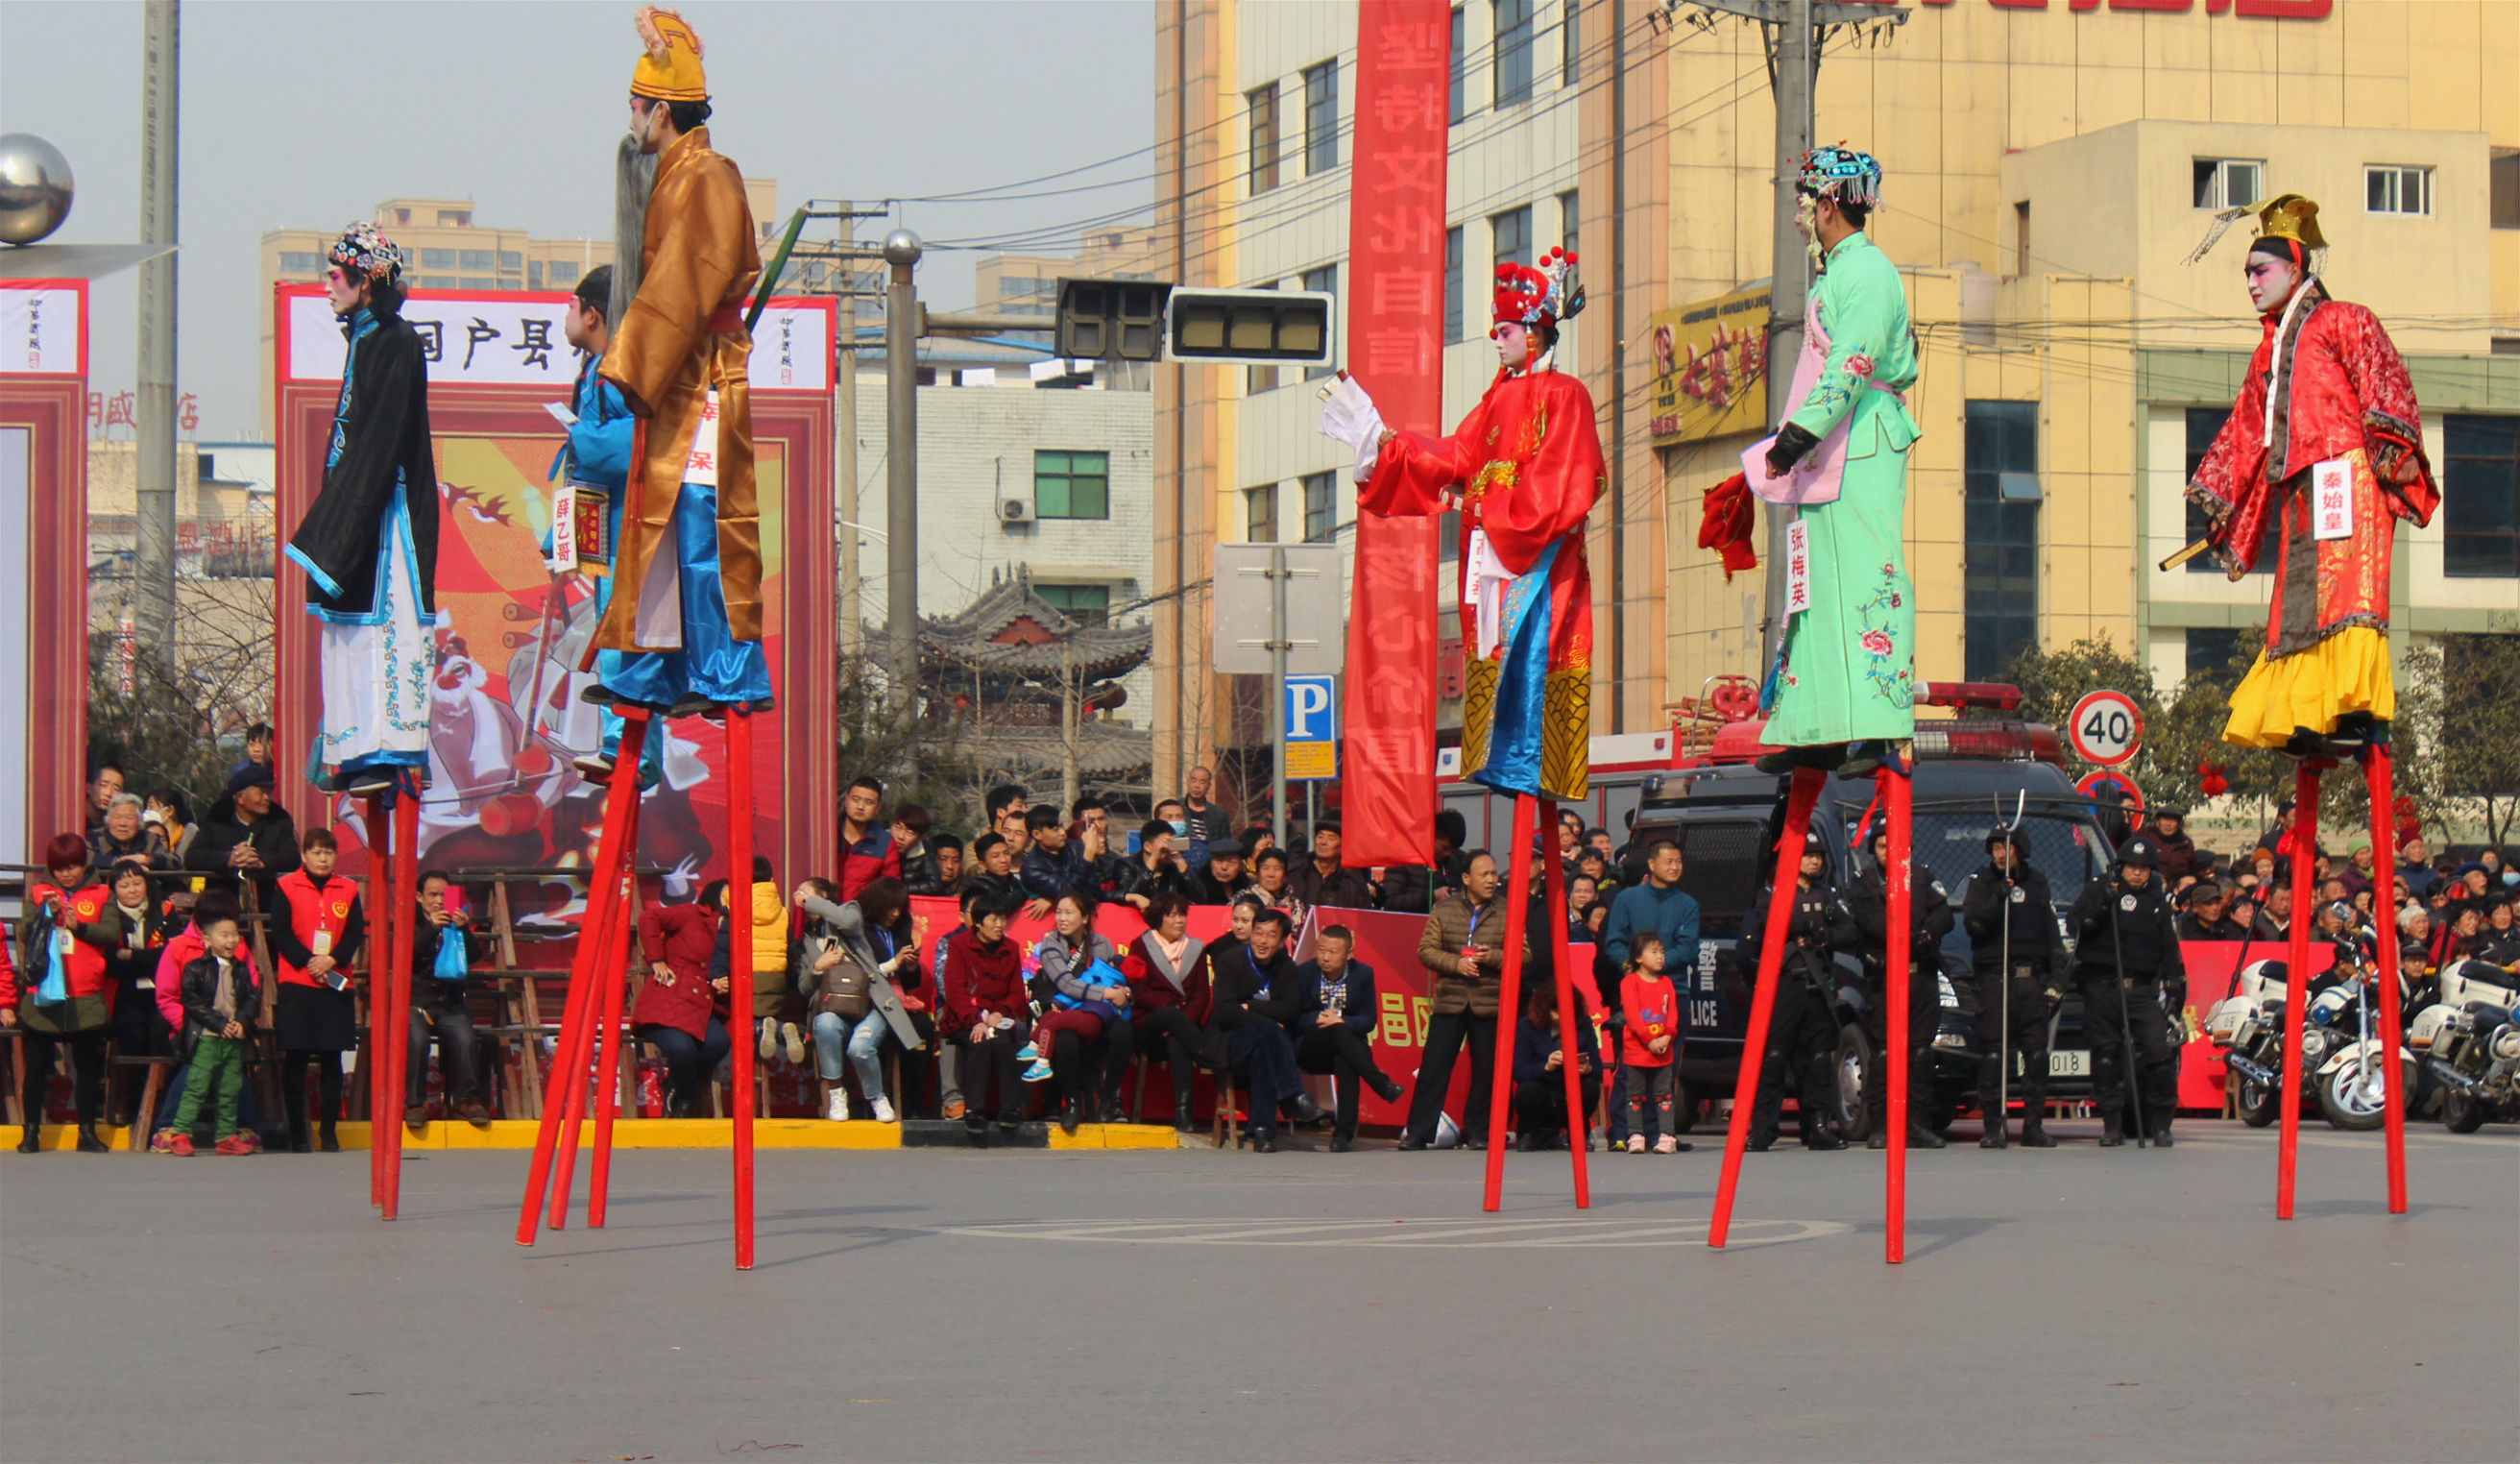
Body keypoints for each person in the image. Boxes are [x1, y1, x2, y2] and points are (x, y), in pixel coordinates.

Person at [1336, 243, 1602, 808]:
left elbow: (1571, 481)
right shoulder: (1493, 402)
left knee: (1535, 652)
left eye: (1504, 329)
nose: (1496, 339)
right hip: (1492, 554)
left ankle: (1528, 761)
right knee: (1493, 647)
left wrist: (1499, 510)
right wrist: (1394, 445)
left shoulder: (1566, 394)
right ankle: (1495, 758)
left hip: (1537, 557)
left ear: (1533, 331)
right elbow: (1454, 457)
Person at [2187, 195, 2438, 759]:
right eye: (2247, 273)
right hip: (2300, 485)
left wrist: (2388, 456)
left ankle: (2349, 703)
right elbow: (2248, 429)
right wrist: (2223, 499)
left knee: (2349, 589)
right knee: (2297, 603)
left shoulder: (2344, 318)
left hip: (2347, 473)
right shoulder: (2266, 353)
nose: (2251, 282)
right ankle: (2306, 712)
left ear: (2295, 268)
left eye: (2261, 270)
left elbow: (2384, 379)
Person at [590, 8, 772, 721]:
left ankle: (722, 670)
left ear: (660, 109)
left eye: (636, 105)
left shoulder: (706, 177)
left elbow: (682, 289)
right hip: (678, 375)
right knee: (655, 523)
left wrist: (629, 365)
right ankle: (649, 672)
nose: (631, 117)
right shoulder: (674, 173)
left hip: (701, 377)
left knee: (700, 521)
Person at [1748, 146, 1921, 780]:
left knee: (1868, 578)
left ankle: (1879, 726)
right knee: (1814, 587)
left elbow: (1855, 358)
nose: (1798, 214)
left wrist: (1798, 432)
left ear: (1826, 205)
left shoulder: (1868, 272)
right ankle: (1813, 729)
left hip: (1862, 436)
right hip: (1834, 442)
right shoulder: (1839, 273)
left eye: (1803, 201)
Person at [284, 219, 442, 794]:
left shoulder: (395, 341)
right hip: (360, 506)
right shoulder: (367, 338)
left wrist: (345, 519)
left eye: (337, 274)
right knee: (346, 629)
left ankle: (387, 751)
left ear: (365, 280)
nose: (328, 283)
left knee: (387, 628)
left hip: (386, 511)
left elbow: (379, 441)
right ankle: (349, 750)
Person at [548, 264, 654, 787]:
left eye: (571, 305)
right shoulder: (595, 367)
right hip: (604, 514)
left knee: (624, 625)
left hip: (629, 517)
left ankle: (630, 749)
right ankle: (623, 746)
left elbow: (636, 441)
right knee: (613, 622)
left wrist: (581, 440)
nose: (566, 315)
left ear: (593, 313)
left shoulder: (618, 368)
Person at [2070, 836, 2186, 1147]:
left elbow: (2168, 949)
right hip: (2102, 987)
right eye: (2132, 867)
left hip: (2139, 990)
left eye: (2144, 868)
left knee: (2159, 1054)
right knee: (2106, 1059)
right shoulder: (2099, 888)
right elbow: (2076, 926)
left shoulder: (2156, 900)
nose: (2137, 873)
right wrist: (2103, 901)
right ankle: (2112, 1125)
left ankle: (2161, 1125)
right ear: (2121, 866)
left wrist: (2176, 990)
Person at [7, 835, 120, 1153]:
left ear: (84, 864)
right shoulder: (39, 891)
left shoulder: (101, 893)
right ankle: (31, 1133)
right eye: (59, 868)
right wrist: (46, 912)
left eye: (72, 866)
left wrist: (80, 926)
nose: (66, 874)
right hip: (43, 995)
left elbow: (112, 933)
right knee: (36, 1067)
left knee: (87, 1068)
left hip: (85, 994)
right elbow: (25, 931)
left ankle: (87, 1132)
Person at [1400, 850, 1518, 1151]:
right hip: (1451, 1000)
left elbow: (1523, 955)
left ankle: (1481, 1132)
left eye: (1494, 873)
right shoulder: (1445, 910)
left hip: (1489, 1000)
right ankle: (1418, 1132)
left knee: (1487, 1070)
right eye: (1485, 874)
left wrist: (1492, 957)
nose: (1493, 880)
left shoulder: (1508, 910)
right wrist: (1456, 964)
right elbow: (1425, 950)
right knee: (1434, 1068)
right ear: (1466, 879)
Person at [1959, 825, 2069, 1149]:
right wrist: (1998, 899)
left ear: (2020, 850)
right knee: (1993, 1054)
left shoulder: (2037, 883)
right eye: (1995, 848)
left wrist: (2055, 982)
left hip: (2031, 983)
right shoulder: (1981, 883)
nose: (2001, 854)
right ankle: (1994, 1125)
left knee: (2036, 1055)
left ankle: (2033, 1126)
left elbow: (2051, 936)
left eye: (2007, 848)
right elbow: (1974, 925)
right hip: (1997, 979)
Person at [1738, 846, 1850, 1152]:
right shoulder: (1771, 894)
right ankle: (1763, 1127)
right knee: (1774, 1058)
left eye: (1818, 855)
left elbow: (1849, 930)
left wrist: (1821, 934)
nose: (1815, 861)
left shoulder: (1827, 895)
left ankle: (1816, 1127)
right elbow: (1772, 923)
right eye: (1807, 855)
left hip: (1816, 986)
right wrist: (1811, 925)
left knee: (1818, 1059)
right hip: (1783, 986)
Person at [268, 829, 367, 1152]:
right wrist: (309, 961)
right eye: (316, 852)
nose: (323, 858)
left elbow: (354, 933)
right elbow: (280, 932)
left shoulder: (349, 888)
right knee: (295, 1057)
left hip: (335, 981)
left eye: (328, 852)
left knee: (331, 1057)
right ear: (304, 854)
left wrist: (332, 960)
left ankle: (328, 1132)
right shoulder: (285, 886)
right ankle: (299, 1132)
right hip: (298, 980)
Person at [1198, 908, 1321, 1153]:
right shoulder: (1230, 961)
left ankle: (1263, 1131)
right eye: (1259, 933)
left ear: (1282, 940)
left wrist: (1251, 1006)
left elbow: (1290, 1009)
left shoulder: (1285, 966)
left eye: (1271, 935)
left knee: (1264, 1049)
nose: (1263, 941)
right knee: (1268, 1031)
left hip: (1265, 1043)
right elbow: (1224, 1011)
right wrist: (1265, 1017)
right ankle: (1293, 1095)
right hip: (1228, 1040)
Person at [797, 876, 916, 1123]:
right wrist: (817, 968)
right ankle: (836, 1093)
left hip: (871, 1003)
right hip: (833, 1006)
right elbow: (804, 988)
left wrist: (812, 902)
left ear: (823, 898)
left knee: (860, 1047)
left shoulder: (848, 912)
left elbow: (849, 921)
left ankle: (876, 1097)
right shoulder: (807, 941)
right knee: (825, 1024)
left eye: (804, 892)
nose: (798, 898)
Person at [1282, 924, 1404, 1152]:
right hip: (1310, 1046)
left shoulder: (1363, 974)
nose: (1325, 957)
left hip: (1346, 1048)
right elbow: (1292, 1018)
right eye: (1322, 950)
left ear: (1349, 954)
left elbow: (1368, 1019)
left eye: (1333, 952)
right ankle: (1380, 1083)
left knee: (1345, 1055)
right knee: (1340, 1035)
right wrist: (1319, 1018)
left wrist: (1342, 1021)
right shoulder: (1303, 973)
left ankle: (1343, 1134)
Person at [1027, 892, 1131, 1131]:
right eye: (1059, 912)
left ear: (1084, 918)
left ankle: (1109, 1098)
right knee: (1065, 1038)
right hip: (1064, 1012)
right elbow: (1066, 985)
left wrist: (1124, 992)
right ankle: (1072, 1102)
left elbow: (1111, 977)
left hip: (1097, 1013)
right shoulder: (1050, 944)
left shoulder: (1102, 944)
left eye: (1069, 912)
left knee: (1122, 1032)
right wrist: (1106, 994)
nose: (1062, 918)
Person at [164, 912, 262, 1156]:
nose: (231, 941)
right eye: (224, 935)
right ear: (207, 940)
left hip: (234, 1037)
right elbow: (192, 1002)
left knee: (231, 1087)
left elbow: (252, 997)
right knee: (197, 1085)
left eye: (234, 935)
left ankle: (226, 1136)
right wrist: (219, 1024)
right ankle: (181, 1133)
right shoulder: (196, 968)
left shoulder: (240, 969)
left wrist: (242, 1021)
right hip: (207, 1036)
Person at [939, 893, 1030, 1145]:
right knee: (979, 1040)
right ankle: (974, 1110)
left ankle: (1010, 1107)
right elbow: (955, 990)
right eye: (994, 919)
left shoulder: (1010, 948)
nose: (1000, 924)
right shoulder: (958, 945)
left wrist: (1001, 1012)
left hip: (998, 1016)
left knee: (1004, 1040)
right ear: (978, 922)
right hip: (964, 1016)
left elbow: (1016, 993)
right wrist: (974, 1020)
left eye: (1002, 919)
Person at [634, 881, 728, 1117]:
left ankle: (676, 1084)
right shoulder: (691, 913)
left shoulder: (736, 928)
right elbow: (649, 918)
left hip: (704, 1002)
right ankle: (685, 1100)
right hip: (670, 994)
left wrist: (722, 981)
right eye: (730, 893)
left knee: (719, 1042)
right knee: (681, 1048)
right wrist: (656, 959)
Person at [406, 870, 490, 1126]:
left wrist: (463, 930)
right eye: (433, 895)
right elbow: (407, 955)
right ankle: (415, 1103)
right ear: (420, 897)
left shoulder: (457, 923)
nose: (439, 900)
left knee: (464, 1036)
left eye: (444, 894)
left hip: (450, 1001)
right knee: (417, 1039)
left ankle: (465, 1100)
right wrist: (432, 928)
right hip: (417, 1002)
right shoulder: (410, 922)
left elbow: (475, 956)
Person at [1123, 891, 1211, 1132]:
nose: (1179, 921)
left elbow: (1202, 993)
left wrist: (1184, 1021)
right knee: (1170, 1016)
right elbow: (1137, 990)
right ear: (1159, 918)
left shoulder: (1196, 948)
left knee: (1178, 1041)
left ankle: (1184, 1113)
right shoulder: (1141, 945)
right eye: (1172, 915)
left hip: (1183, 1029)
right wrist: (1168, 1007)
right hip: (1150, 1024)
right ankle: (1207, 1054)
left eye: (1182, 915)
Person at [100, 860, 176, 1129]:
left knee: (161, 1029)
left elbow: (171, 957)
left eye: (137, 883)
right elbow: (111, 962)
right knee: (132, 1031)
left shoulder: (166, 911)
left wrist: (134, 955)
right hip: (123, 990)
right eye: (124, 885)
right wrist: (145, 959)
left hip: (162, 988)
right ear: (114, 889)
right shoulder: (108, 916)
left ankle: (155, 1102)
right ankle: (126, 1102)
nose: (132, 890)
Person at [710, 855, 800, 1065]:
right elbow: (790, 949)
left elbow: (724, 946)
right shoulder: (783, 911)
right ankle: (779, 1028)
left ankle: (770, 1028)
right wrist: (788, 978)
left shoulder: (735, 907)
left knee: (746, 1020)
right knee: (765, 1014)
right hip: (775, 976)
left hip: (746, 975)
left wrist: (717, 975)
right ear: (770, 880)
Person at [185, 763, 301, 908]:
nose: (267, 798)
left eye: (269, 792)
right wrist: (229, 859)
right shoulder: (217, 819)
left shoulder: (279, 819)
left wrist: (259, 860)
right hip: (221, 903)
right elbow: (192, 857)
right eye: (261, 792)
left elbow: (292, 857)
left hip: (267, 902)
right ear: (240, 797)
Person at [1603, 838, 1704, 998]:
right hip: (1635, 988)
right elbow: (1614, 941)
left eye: (1678, 862)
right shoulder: (1626, 899)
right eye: (1669, 862)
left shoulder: (1688, 904)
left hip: (1675, 990)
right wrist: (1631, 965)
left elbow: (1688, 947)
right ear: (1651, 864)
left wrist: (1653, 964)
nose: (1675, 867)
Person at [1508, 981, 1600, 1153]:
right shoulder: (1527, 1027)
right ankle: (1531, 1132)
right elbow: (1519, 1071)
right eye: (1557, 1011)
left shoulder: (1584, 1024)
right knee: (1528, 1089)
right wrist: (1546, 1066)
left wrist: (1587, 1069)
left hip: (1571, 1087)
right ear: (1545, 1010)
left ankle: (1578, 1132)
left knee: (1591, 1086)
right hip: (1542, 1088)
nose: (1563, 1016)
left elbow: (1598, 1069)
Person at [1616, 934, 1687, 1155]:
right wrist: (1649, 1040)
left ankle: (1666, 1136)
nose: (1660, 957)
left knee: (1664, 1095)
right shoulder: (1630, 982)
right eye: (1654, 952)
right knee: (1635, 1095)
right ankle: (1636, 1135)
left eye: (1662, 952)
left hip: (1663, 1050)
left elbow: (1673, 1013)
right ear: (1638, 957)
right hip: (1638, 1050)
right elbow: (1633, 1015)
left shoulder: (1667, 983)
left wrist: (1667, 1036)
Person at [836, 776, 901, 901]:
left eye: (869, 802)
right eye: (856, 800)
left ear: (878, 808)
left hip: (860, 915)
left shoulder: (884, 843)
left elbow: (891, 889)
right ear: (846, 801)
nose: (860, 807)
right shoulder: (827, 833)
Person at [1287, 821, 1376, 911]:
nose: (1323, 842)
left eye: (1331, 838)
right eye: (1320, 836)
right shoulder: (1297, 874)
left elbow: (1363, 917)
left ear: (1343, 845)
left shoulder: (1352, 882)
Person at [1019, 805, 1092, 909]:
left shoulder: (1076, 848)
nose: (1063, 833)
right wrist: (1087, 859)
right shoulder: (1032, 868)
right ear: (1037, 834)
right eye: (1056, 829)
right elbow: (1067, 891)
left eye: (1062, 826)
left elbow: (1094, 887)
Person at [1117, 819, 1196, 911]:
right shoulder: (1125, 865)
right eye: (1166, 842)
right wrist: (1153, 860)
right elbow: (1130, 894)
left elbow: (1198, 898)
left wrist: (1183, 867)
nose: (1169, 848)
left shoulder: (1174, 867)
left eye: (1172, 843)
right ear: (1148, 847)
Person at [89, 793, 170, 871]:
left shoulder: (150, 838)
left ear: (139, 821)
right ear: (108, 820)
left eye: (129, 818)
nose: (122, 823)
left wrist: (147, 859)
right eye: (117, 817)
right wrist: (126, 864)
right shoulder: (95, 837)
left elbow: (174, 860)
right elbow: (86, 858)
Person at [891, 804, 944, 896]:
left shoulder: (925, 851)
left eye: (910, 833)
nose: (901, 836)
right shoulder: (878, 843)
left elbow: (933, 884)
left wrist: (899, 888)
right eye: (898, 828)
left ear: (921, 837)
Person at [1251, 848, 1309, 930]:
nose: (1271, 874)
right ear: (1257, 873)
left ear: (1285, 874)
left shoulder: (1296, 905)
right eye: (1265, 868)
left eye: (1277, 869)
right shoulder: (1244, 900)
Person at [2137, 809, 2199, 885]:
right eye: (2165, 819)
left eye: (2173, 820)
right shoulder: (2144, 836)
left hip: (2177, 889)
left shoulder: (2186, 844)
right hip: (2147, 885)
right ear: (2157, 822)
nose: (2168, 824)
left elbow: (2193, 870)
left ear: (2178, 824)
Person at [1189, 836, 1254, 905]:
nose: (1224, 867)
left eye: (1231, 862)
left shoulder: (1248, 887)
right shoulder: (1199, 887)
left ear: (1241, 866)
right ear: (1211, 863)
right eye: (1219, 861)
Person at [2175, 882, 2249, 942]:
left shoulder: (2231, 931)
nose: (2215, 908)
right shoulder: (2183, 931)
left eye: (2217, 903)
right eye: (2208, 904)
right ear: (2195, 908)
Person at [1181, 766, 1234, 848]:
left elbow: (1226, 844)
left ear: (1208, 786)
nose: (1197, 786)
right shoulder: (1176, 808)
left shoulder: (1219, 814)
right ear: (1188, 782)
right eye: (1193, 780)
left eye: (1202, 782)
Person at [144, 787, 197, 867]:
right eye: (146, 807)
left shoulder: (189, 835)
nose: (147, 811)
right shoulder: (146, 834)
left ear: (170, 810)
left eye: (151, 806)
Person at [2252, 879, 2296, 944]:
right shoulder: (2256, 924)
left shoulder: (2295, 924)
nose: (2285, 904)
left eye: (2288, 900)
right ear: (2268, 900)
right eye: (2281, 900)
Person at [85, 763, 126, 832]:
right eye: (103, 785)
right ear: (89, 787)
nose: (109, 793)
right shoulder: (74, 818)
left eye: (116, 789)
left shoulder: (114, 829)